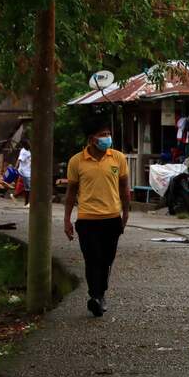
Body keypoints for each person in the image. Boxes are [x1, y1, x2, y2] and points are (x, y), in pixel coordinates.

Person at [63, 117, 130, 318]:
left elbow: (124, 187)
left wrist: (126, 213)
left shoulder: (118, 158)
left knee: (107, 259)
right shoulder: (76, 161)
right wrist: (67, 219)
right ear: (92, 139)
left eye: (108, 134)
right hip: (87, 220)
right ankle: (95, 296)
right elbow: (70, 193)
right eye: (103, 135)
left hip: (111, 218)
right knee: (92, 259)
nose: (107, 138)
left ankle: (101, 293)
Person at [15, 139, 32, 207]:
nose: (29, 144)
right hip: (24, 172)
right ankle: (16, 196)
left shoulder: (27, 151)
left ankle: (26, 202)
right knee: (28, 188)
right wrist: (15, 168)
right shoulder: (24, 151)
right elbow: (19, 160)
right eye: (28, 143)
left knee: (27, 188)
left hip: (27, 171)